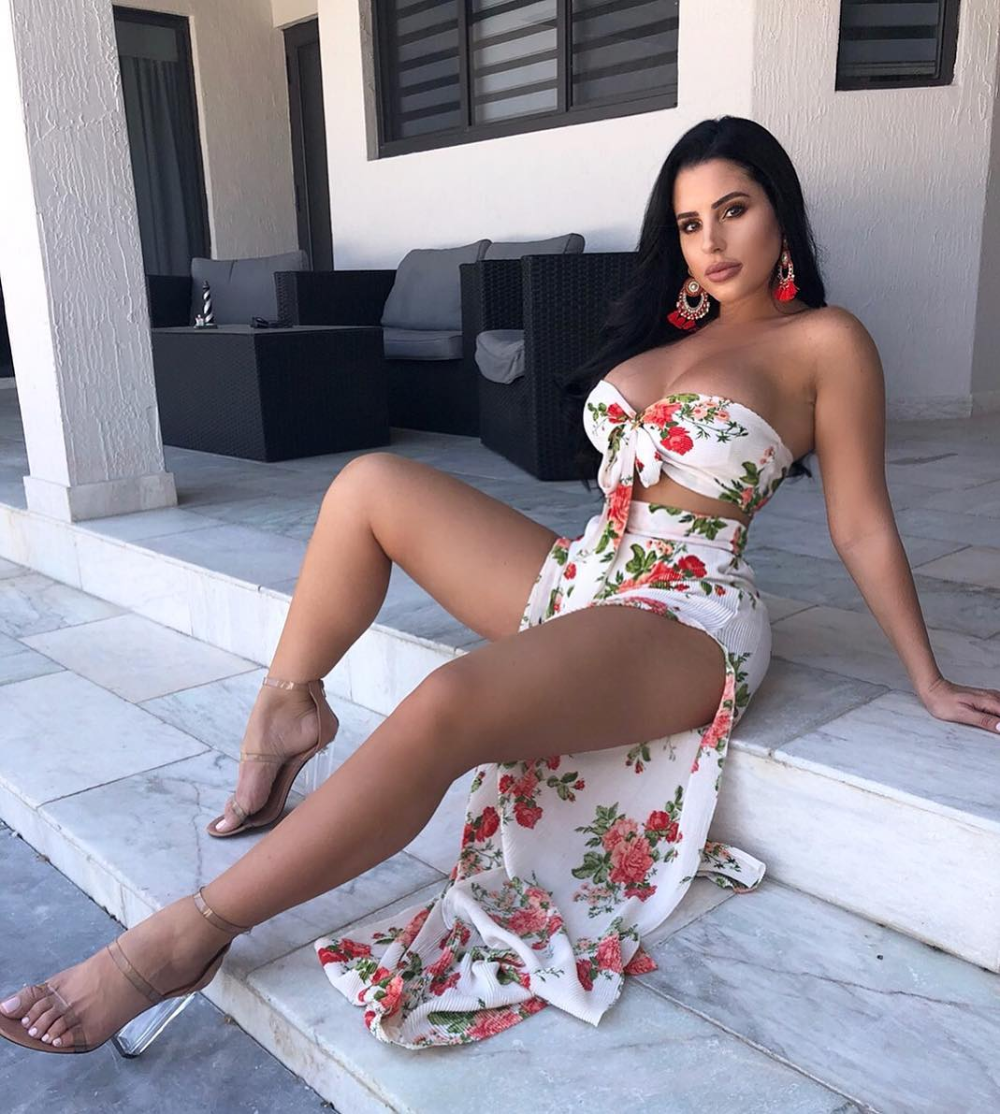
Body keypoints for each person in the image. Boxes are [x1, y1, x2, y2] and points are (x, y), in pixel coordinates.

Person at [3, 115, 997, 1056]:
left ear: (779, 210)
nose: (711, 241)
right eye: (690, 222)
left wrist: (926, 677)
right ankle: (286, 713)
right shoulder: (667, 336)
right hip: (588, 572)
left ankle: (181, 937)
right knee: (367, 486)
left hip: (685, 611)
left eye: (733, 209)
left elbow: (860, 523)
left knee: (449, 701)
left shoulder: (825, 340)